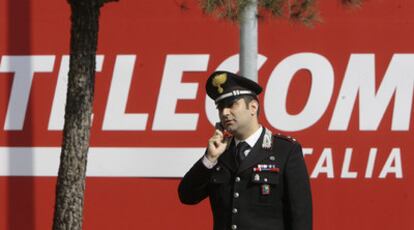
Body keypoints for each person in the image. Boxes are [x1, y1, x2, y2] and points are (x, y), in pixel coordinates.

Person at [178, 71, 312, 230]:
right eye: (220, 108)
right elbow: (187, 196)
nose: (225, 113)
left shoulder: (285, 151)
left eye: (232, 104)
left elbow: (300, 216)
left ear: (253, 107)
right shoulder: (219, 152)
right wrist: (209, 159)